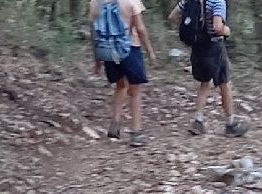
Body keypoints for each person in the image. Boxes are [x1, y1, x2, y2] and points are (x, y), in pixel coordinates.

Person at [168, 0, 242, 137]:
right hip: (214, 47)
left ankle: (198, 120)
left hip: (197, 48)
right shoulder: (217, 2)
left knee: (204, 83)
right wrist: (227, 31)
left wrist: (193, 29)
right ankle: (230, 123)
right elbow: (218, 28)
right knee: (224, 83)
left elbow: (172, 16)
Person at [89, 0, 156, 146]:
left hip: (107, 49)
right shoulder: (131, 1)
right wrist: (150, 51)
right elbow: (140, 28)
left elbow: (93, 32)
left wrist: (97, 60)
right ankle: (136, 132)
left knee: (120, 84)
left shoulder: (95, 2)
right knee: (136, 89)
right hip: (130, 47)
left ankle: (115, 123)